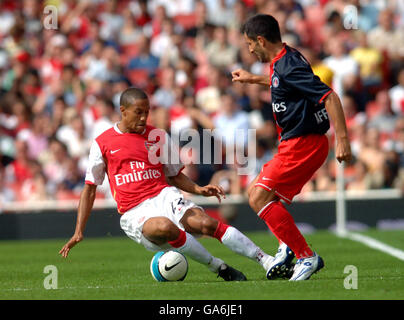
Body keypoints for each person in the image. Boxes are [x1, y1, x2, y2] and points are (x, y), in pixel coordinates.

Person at [59, 87, 279, 281]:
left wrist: (198, 189)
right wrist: (79, 231)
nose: (144, 118)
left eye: (147, 112)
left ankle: (267, 260)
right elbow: (89, 188)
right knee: (165, 227)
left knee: (206, 224)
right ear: (123, 110)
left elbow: (174, 175)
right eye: (138, 112)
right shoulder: (103, 143)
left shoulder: (158, 136)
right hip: (134, 211)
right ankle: (219, 267)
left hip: (164, 196)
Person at [232, 14, 352, 281]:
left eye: (250, 44)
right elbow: (283, 84)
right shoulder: (285, 58)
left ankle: (305, 256)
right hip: (297, 142)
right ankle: (287, 247)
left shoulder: (286, 65)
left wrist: (343, 139)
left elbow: (329, 96)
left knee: (258, 197)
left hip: (303, 143)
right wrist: (253, 79)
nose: (249, 49)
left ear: (260, 40)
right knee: (260, 195)